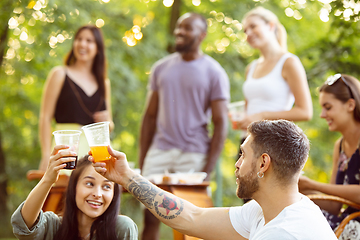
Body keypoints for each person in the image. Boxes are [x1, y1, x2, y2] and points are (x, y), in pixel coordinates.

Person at [92, 120, 337, 239]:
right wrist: (126, 177)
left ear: (263, 163)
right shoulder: (268, 211)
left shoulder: (284, 233)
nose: (237, 164)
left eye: (242, 154)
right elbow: (192, 217)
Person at [138, 12, 229, 239]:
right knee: (150, 218)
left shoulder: (214, 72)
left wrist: (206, 170)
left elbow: (220, 123)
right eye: (179, 27)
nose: (179, 32)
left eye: (187, 28)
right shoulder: (161, 68)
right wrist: (143, 159)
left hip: (193, 155)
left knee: (191, 225)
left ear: (202, 35)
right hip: (159, 152)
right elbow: (149, 117)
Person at [11, 146, 138, 240]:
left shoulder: (122, 228)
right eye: (89, 183)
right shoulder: (53, 227)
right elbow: (23, 225)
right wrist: (48, 179)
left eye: (106, 186)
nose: (98, 194)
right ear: (74, 187)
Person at [39, 25, 114, 171]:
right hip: (67, 149)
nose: (82, 44)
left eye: (89, 40)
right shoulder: (59, 74)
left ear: (98, 48)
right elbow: (45, 118)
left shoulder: (104, 83)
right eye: (79, 39)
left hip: (96, 152)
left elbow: (109, 126)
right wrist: (45, 155)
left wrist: (107, 122)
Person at [298, 74, 360, 239]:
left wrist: (311, 184)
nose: (322, 114)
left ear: (350, 105)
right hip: (346, 221)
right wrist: (297, 189)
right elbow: (334, 205)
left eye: (328, 107)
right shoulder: (339, 146)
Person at [234, 7, 312, 130]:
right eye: (245, 31)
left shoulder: (289, 62)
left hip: (273, 141)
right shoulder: (251, 68)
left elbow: (305, 112)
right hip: (248, 139)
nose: (248, 34)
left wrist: (262, 116)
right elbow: (250, 109)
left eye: (253, 26)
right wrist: (242, 117)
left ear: (270, 26)